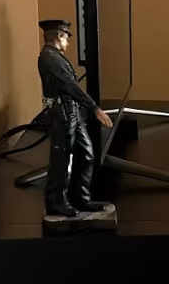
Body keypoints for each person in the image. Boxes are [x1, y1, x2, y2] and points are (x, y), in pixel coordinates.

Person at [37, 19, 113, 217]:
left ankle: (80, 198)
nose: (68, 43)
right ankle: (56, 203)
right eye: (66, 37)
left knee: (86, 154)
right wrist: (95, 108)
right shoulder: (49, 58)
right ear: (59, 36)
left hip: (73, 112)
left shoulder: (57, 57)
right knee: (61, 160)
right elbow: (70, 86)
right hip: (62, 114)